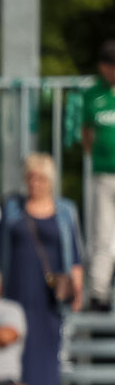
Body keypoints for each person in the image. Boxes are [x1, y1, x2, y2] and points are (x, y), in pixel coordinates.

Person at [0, 151, 80, 385]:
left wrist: (76, 290)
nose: (35, 184)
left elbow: (74, 255)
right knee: (20, 353)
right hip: (17, 290)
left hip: (50, 298)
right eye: (31, 178)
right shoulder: (12, 209)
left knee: (47, 355)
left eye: (41, 178)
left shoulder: (64, 212)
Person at [77, 40, 115, 307]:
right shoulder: (93, 95)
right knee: (103, 234)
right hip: (104, 174)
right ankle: (99, 292)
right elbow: (87, 135)